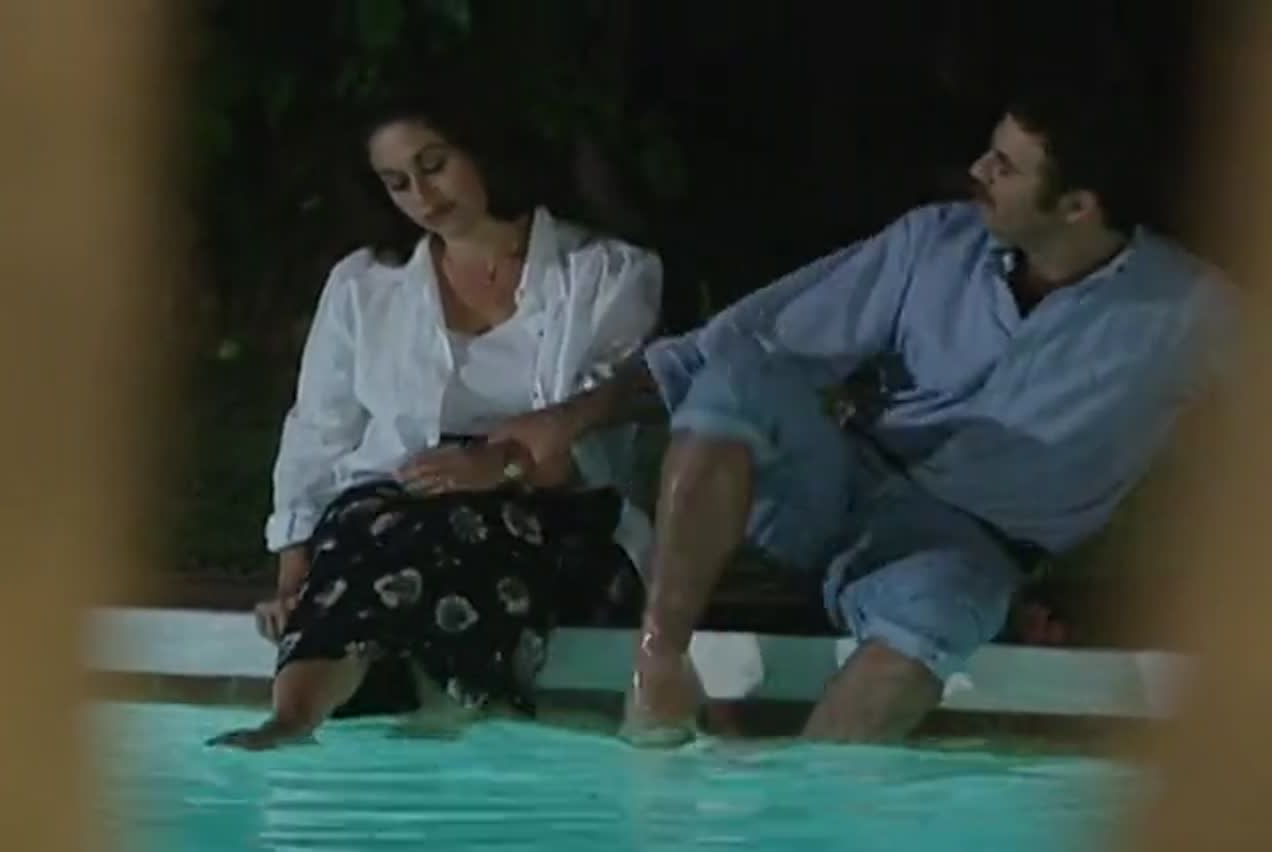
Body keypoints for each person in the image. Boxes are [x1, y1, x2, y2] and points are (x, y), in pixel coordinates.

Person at [492, 74, 1236, 744]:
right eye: (989, 151)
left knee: (937, 614)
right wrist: (570, 420)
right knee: (741, 371)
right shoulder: (936, 241)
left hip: (963, 546)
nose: (978, 171)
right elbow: (723, 346)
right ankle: (658, 667)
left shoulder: (1190, 309)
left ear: (1077, 206)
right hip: (836, 486)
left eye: (1005, 167)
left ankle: (811, 811)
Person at [208, 87, 662, 749]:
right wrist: (292, 578)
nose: (421, 195)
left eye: (434, 165)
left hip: (553, 511)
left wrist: (500, 466)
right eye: (397, 182)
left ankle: (433, 708)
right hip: (388, 511)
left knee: (448, 530)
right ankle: (292, 720)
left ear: (481, 151)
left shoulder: (605, 273)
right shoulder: (365, 283)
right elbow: (320, 428)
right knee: (380, 528)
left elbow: (602, 430)